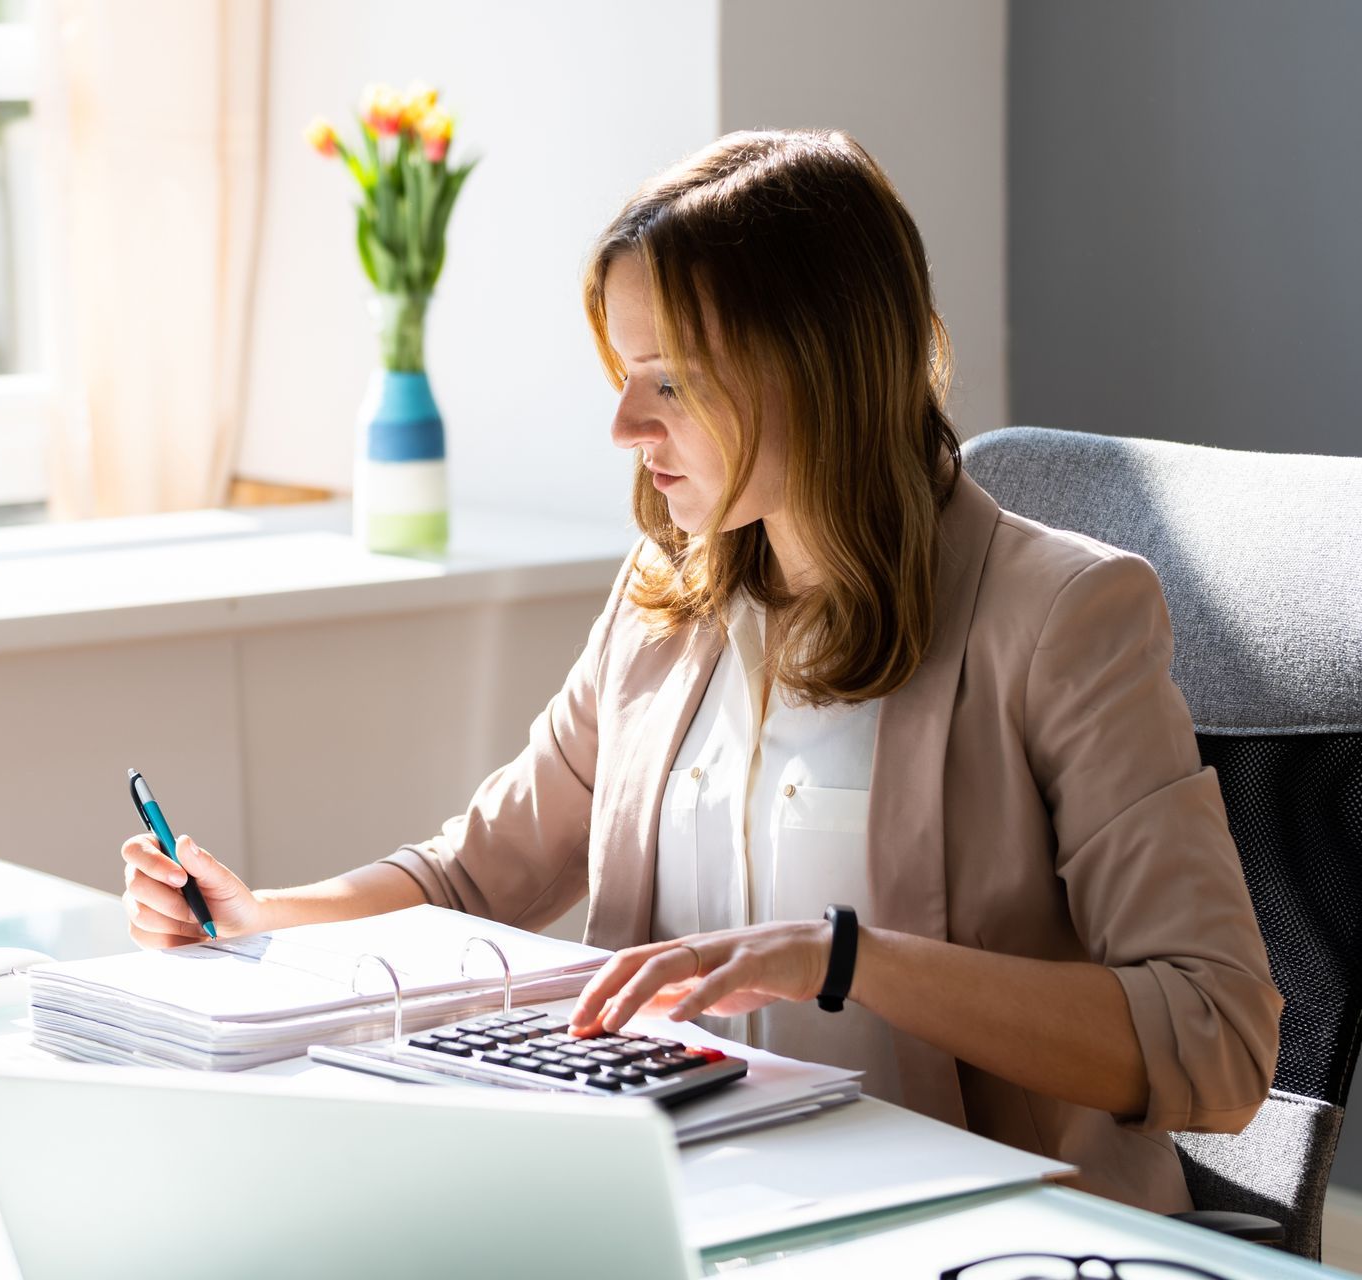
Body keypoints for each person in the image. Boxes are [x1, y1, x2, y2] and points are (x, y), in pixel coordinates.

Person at [118, 128, 1281, 1211]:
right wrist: (266, 915)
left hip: (959, 1224)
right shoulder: (666, 598)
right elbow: (477, 877)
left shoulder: (1062, 615)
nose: (625, 423)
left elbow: (1217, 1037)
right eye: (624, 371)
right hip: (694, 1204)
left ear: (817, 369)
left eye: (670, 377)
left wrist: (848, 963)